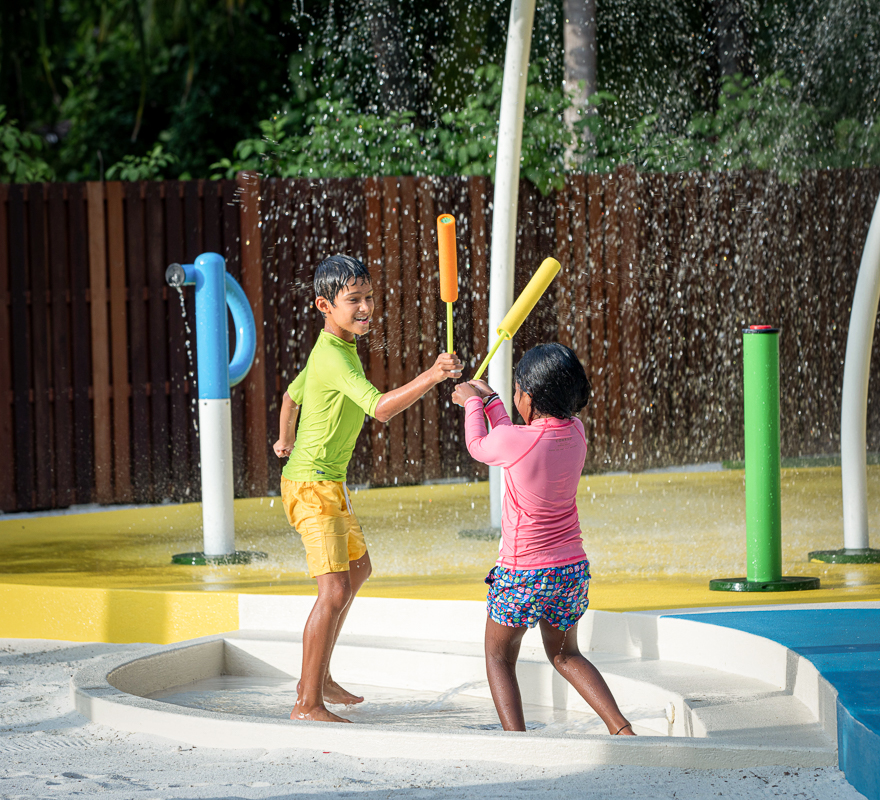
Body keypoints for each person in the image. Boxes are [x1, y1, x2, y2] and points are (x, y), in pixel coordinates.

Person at [274, 254, 462, 724]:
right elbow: (379, 409)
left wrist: (284, 437)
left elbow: (290, 397)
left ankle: (315, 678)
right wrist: (433, 375)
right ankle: (306, 704)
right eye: (353, 300)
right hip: (311, 486)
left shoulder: (331, 350)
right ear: (324, 305)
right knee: (334, 590)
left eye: (369, 297)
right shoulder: (335, 358)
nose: (365, 308)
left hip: (326, 482)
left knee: (357, 570)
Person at [451, 343, 635, 735]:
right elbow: (515, 434)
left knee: (498, 656)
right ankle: (621, 728)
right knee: (566, 654)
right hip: (570, 570)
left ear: (529, 398)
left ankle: (517, 742)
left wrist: (471, 404)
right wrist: (496, 400)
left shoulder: (517, 442)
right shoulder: (576, 431)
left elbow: (480, 445)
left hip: (523, 574)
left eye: (517, 389)